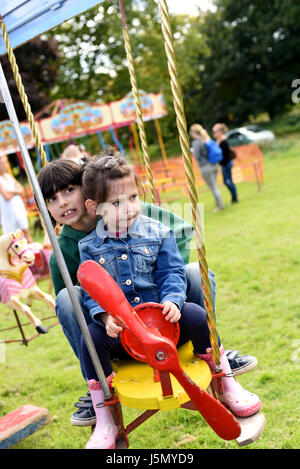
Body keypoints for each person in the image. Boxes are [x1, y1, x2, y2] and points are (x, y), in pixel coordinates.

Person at [37, 153, 257, 429]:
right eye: (52, 199)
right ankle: (95, 383)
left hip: (163, 313)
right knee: (67, 297)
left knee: (192, 272)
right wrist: (105, 317)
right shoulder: (67, 250)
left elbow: (180, 235)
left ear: (86, 189)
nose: (63, 202)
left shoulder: (132, 209)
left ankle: (214, 353)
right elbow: (73, 310)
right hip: (116, 332)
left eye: (69, 190)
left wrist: (167, 288)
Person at [190, 123, 224, 212]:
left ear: (193, 132)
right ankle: (219, 204)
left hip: (206, 167)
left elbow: (197, 156)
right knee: (215, 186)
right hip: (214, 165)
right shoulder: (206, 139)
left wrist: (192, 151)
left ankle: (220, 205)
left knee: (213, 187)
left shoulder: (196, 143)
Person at [0, 154, 32, 242]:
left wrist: (12, 191)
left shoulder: (8, 176)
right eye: (2, 163)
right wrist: (15, 191)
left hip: (18, 207)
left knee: (26, 232)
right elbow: (6, 196)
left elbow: (21, 189)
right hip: (9, 211)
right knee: (13, 237)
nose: (4, 164)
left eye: (5, 162)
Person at [212, 123, 238, 204]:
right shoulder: (219, 141)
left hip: (226, 163)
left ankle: (234, 197)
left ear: (220, 132)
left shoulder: (223, 142)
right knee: (227, 181)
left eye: (215, 132)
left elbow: (221, 154)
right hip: (224, 164)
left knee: (228, 181)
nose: (214, 134)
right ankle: (234, 197)